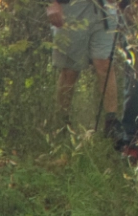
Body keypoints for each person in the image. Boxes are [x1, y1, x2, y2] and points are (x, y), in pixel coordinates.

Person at [50, 0, 121, 128]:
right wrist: (50, 3)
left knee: (105, 65)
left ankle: (112, 125)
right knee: (70, 71)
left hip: (104, 8)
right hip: (71, 8)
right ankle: (61, 123)